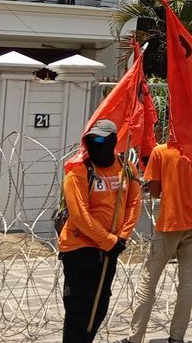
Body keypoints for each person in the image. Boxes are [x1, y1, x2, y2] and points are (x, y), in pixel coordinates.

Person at [124, 138, 192, 343]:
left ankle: (135, 337)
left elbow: (155, 191)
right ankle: (176, 338)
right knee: (187, 282)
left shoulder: (161, 151)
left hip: (169, 223)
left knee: (148, 281)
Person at [58, 120, 142, 343]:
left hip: (109, 249)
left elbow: (134, 203)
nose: (97, 144)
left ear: (114, 141)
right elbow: (79, 215)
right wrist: (108, 241)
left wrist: (122, 238)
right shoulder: (78, 171)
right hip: (80, 248)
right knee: (79, 309)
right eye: (92, 140)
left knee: (100, 306)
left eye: (103, 140)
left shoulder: (127, 169)